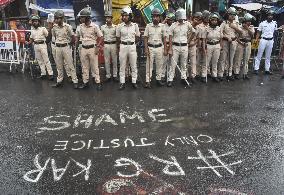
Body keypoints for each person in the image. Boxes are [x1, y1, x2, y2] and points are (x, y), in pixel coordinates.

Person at [76, 6, 103, 90]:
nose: (81, 19)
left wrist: (98, 46)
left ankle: (98, 82)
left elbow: (101, 37)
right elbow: (77, 36)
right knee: (84, 67)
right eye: (80, 17)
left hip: (92, 48)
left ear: (87, 17)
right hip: (83, 48)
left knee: (95, 66)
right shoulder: (80, 26)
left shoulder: (95, 26)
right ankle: (85, 82)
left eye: (82, 17)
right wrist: (76, 43)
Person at [167, 8, 195, 87]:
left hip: (184, 46)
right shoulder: (173, 25)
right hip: (175, 46)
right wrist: (170, 49)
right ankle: (170, 79)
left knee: (184, 64)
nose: (181, 19)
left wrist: (188, 41)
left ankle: (184, 78)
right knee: (173, 64)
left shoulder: (187, 24)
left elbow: (193, 32)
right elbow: (170, 36)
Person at [51, 10, 79, 89]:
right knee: (59, 66)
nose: (58, 20)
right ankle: (59, 81)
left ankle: (75, 81)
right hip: (58, 47)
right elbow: (54, 36)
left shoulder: (68, 27)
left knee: (70, 65)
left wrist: (69, 44)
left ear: (63, 18)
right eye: (56, 18)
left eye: (59, 18)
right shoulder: (54, 27)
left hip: (66, 47)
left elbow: (73, 38)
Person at [116, 6, 140, 90]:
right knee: (122, 65)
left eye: (126, 15)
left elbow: (137, 37)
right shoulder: (119, 26)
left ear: (130, 16)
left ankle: (134, 81)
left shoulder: (135, 26)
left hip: (132, 46)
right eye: (123, 16)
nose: (124, 17)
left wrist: (132, 43)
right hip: (123, 46)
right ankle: (122, 82)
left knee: (133, 65)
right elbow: (118, 38)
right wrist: (123, 44)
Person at [143, 8, 166, 88]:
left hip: (160, 47)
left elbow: (164, 38)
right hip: (150, 48)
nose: (155, 18)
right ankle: (147, 81)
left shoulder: (162, 26)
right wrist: (146, 49)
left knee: (159, 64)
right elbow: (145, 38)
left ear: (159, 17)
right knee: (149, 65)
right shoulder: (148, 26)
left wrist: (165, 49)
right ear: (151, 17)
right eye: (153, 16)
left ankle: (158, 79)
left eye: (157, 16)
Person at [218, 7, 243, 81]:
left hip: (234, 41)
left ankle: (229, 74)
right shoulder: (224, 23)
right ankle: (221, 74)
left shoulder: (236, 23)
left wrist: (234, 27)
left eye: (234, 14)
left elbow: (241, 32)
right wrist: (226, 37)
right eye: (231, 14)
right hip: (225, 42)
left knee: (231, 58)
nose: (232, 16)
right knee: (223, 58)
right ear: (228, 15)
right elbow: (220, 33)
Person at [29, 15, 54, 80]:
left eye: (36, 21)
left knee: (46, 60)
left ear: (39, 22)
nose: (35, 22)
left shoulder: (43, 29)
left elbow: (48, 36)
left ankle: (50, 74)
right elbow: (31, 39)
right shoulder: (32, 30)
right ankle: (43, 74)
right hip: (36, 45)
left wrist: (47, 43)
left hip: (42, 45)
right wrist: (28, 42)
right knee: (40, 60)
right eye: (33, 21)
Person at [254, 10, 277, 75]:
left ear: (272, 16)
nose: (270, 16)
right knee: (259, 55)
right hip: (263, 40)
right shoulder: (262, 23)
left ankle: (267, 69)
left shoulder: (274, 23)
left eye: (271, 15)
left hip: (270, 40)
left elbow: (275, 32)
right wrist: (256, 40)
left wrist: (274, 41)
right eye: (269, 15)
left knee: (268, 56)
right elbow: (258, 32)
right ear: (267, 16)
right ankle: (256, 69)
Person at [234, 13, 255, 80]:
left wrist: (247, 29)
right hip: (240, 43)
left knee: (246, 60)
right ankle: (236, 73)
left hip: (248, 43)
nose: (249, 22)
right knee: (238, 59)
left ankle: (245, 73)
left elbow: (252, 36)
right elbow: (236, 38)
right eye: (247, 21)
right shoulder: (239, 27)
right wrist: (242, 43)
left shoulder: (251, 27)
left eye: (250, 21)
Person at [204, 13, 223, 83]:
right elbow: (204, 39)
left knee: (215, 61)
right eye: (213, 20)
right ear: (210, 21)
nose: (214, 21)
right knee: (207, 61)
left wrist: (221, 47)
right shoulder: (206, 29)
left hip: (217, 45)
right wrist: (205, 47)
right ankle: (204, 75)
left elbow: (221, 38)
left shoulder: (219, 28)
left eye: (216, 20)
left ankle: (214, 75)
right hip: (209, 45)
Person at [101, 11, 119, 82]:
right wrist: (101, 46)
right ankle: (108, 76)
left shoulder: (116, 27)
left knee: (114, 61)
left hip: (114, 44)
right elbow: (101, 37)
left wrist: (117, 47)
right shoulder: (102, 27)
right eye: (106, 18)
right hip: (106, 45)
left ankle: (115, 75)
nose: (107, 19)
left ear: (111, 18)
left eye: (109, 17)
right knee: (107, 61)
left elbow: (117, 38)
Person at [188, 12, 203, 83]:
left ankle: (193, 76)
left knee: (193, 61)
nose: (197, 21)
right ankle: (186, 76)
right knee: (184, 61)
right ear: (192, 18)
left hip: (193, 45)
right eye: (196, 19)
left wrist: (194, 44)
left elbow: (198, 38)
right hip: (185, 45)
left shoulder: (199, 28)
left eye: (199, 19)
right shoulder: (187, 25)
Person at [161, 12, 175, 82]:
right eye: (169, 19)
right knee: (164, 61)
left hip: (172, 45)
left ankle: (170, 75)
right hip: (165, 45)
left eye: (172, 20)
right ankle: (162, 75)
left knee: (171, 62)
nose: (170, 21)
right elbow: (159, 25)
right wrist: (164, 20)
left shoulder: (174, 26)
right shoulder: (163, 25)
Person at [198, 10, 211, 81]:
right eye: (206, 17)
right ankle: (197, 73)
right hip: (200, 43)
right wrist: (199, 46)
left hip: (208, 43)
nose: (207, 18)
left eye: (208, 17)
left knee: (206, 59)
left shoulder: (210, 26)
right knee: (199, 59)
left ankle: (207, 72)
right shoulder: (199, 26)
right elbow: (198, 37)